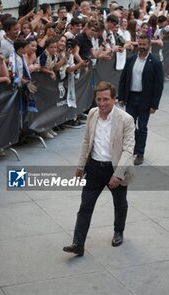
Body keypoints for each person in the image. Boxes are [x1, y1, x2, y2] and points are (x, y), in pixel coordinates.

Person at [63, 81, 135, 256]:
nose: (102, 104)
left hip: (115, 169)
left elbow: (128, 150)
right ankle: (78, 244)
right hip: (94, 168)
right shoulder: (92, 114)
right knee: (85, 206)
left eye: (106, 100)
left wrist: (117, 175)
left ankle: (118, 231)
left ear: (114, 99)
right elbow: (87, 141)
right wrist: (81, 165)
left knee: (120, 204)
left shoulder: (126, 119)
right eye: (98, 99)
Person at [118, 34, 164, 165]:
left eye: (144, 44)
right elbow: (124, 78)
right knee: (130, 126)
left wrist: (154, 104)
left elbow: (158, 85)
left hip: (145, 99)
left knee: (142, 126)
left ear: (149, 45)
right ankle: (129, 149)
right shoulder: (131, 59)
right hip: (131, 97)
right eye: (140, 44)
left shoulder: (155, 62)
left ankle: (139, 153)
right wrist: (121, 96)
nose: (142, 47)